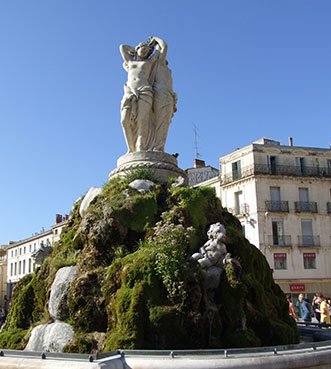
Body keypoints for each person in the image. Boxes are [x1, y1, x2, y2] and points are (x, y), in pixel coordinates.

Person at [119, 39, 159, 152]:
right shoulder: (130, 62)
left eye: (148, 50)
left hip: (145, 90)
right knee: (124, 120)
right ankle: (130, 148)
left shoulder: (149, 63)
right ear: (138, 48)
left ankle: (140, 147)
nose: (146, 51)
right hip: (130, 91)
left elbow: (161, 49)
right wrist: (138, 48)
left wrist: (155, 40)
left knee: (142, 120)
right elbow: (122, 46)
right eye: (143, 48)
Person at [149, 36, 177, 151]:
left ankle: (159, 146)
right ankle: (157, 146)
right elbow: (164, 46)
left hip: (168, 95)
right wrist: (154, 40)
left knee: (164, 123)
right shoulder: (159, 64)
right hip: (161, 94)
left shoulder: (165, 69)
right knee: (160, 122)